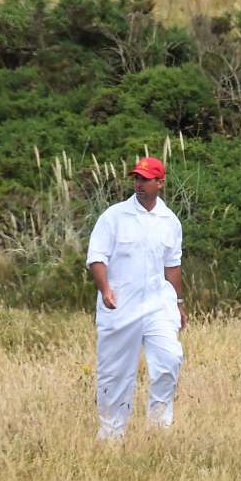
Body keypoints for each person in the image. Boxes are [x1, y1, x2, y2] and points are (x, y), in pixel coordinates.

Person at [86, 156, 186, 439]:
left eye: (145, 179)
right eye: (136, 178)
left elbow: (173, 266)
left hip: (158, 305)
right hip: (119, 306)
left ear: (160, 183)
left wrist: (179, 303)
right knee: (115, 375)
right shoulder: (114, 216)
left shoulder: (170, 221)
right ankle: (111, 437)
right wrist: (105, 289)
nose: (139, 184)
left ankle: (158, 429)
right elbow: (96, 257)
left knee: (170, 359)